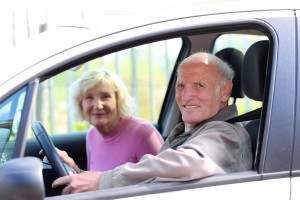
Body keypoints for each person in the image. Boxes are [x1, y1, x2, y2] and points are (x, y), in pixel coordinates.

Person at [52, 52, 253, 194]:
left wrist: (103, 181)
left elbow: (189, 163)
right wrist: (80, 175)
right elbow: (152, 179)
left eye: (199, 86)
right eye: (181, 86)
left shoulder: (226, 133)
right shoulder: (189, 131)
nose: (186, 96)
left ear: (225, 91)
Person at [43, 69, 163, 173]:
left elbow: (166, 185)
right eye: (89, 98)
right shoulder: (92, 135)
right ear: (80, 104)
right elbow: (98, 184)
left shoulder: (143, 133)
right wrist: (72, 167)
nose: (98, 105)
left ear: (118, 100)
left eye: (105, 97)